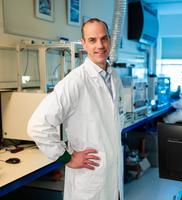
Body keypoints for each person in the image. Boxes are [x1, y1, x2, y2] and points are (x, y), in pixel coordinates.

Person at [27, 18, 123, 200]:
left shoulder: (114, 77)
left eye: (104, 39)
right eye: (93, 40)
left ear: (110, 40)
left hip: (113, 178)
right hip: (90, 180)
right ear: (83, 44)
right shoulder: (75, 81)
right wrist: (67, 158)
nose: (100, 45)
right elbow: (37, 126)